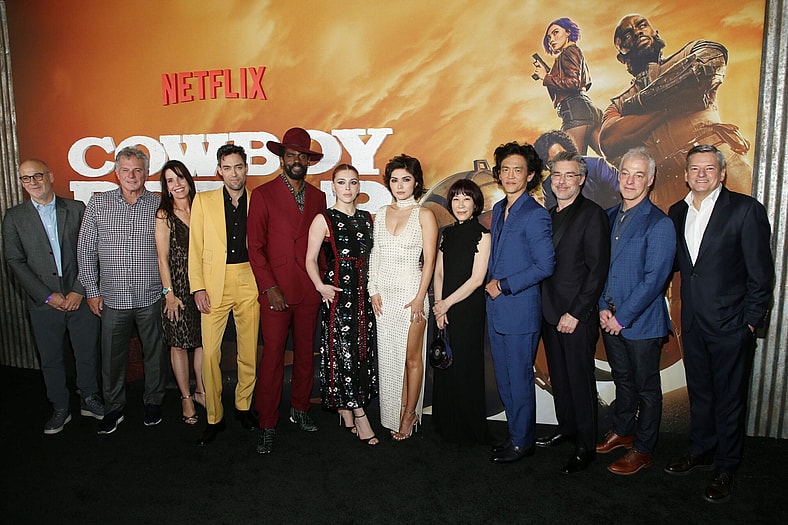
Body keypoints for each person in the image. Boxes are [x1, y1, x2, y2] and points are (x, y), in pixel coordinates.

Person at [665, 144, 773, 503]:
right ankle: (702, 451)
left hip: (732, 325)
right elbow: (680, 267)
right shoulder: (677, 211)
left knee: (729, 398)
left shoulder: (745, 210)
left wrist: (751, 323)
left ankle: (727, 466)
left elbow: (761, 274)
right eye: (695, 168)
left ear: (722, 173)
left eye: (709, 169)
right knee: (701, 393)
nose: (701, 174)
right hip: (692, 322)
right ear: (685, 174)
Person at [599, 14, 752, 209]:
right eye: (628, 34)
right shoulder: (619, 103)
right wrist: (669, 108)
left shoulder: (689, 52)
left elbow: (710, 60)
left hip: (723, 171)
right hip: (667, 195)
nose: (637, 32)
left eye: (642, 25)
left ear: (656, 33)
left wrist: (639, 104)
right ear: (621, 57)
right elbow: (609, 141)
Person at [3, 159, 103, 434]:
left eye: (37, 176)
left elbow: (91, 251)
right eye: (26, 178)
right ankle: (60, 406)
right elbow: (14, 261)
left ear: (51, 176)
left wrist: (79, 290)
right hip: (43, 302)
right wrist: (47, 296)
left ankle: (89, 398)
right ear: (21, 183)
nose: (33, 182)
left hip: (79, 295)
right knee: (50, 358)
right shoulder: (13, 217)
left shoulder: (76, 209)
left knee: (86, 353)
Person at [596, 147, 675, 475]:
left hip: (640, 323)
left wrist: (621, 318)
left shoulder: (659, 223)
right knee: (623, 380)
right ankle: (623, 429)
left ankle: (642, 449)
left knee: (646, 388)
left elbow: (654, 279)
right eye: (625, 172)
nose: (630, 180)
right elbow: (599, 267)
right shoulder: (609, 215)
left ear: (650, 179)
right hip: (608, 317)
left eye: (638, 174)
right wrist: (602, 307)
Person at [78, 146, 167, 434]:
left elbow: (170, 252)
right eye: (126, 170)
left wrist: (169, 292)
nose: (132, 175)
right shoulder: (98, 204)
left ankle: (153, 402)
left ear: (147, 173)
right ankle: (113, 407)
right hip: (112, 297)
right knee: (112, 357)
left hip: (151, 295)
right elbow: (86, 250)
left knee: (154, 352)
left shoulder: (158, 205)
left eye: (138, 169)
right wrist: (91, 289)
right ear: (116, 173)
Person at [248, 127, 327, 454]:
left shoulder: (319, 197)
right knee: (273, 359)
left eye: (302, 156)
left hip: (309, 289)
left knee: (307, 355)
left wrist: (323, 284)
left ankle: (300, 408)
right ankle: (267, 422)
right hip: (277, 293)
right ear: (282, 158)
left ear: (308, 160)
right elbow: (255, 247)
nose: (297, 160)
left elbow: (322, 248)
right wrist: (269, 288)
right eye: (291, 154)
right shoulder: (263, 194)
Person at [538, 151, 609, 474]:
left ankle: (586, 445)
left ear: (581, 179)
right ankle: (566, 428)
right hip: (549, 312)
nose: (562, 181)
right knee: (561, 378)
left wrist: (577, 313)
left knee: (580, 380)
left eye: (569, 175)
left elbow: (597, 271)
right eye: (557, 175)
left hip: (575, 316)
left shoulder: (593, 215)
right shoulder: (549, 215)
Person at [485, 142, 555, 463]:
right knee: (504, 378)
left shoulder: (536, 214)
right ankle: (515, 434)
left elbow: (544, 266)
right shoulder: (499, 210)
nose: (511, 175)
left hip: (519, 310)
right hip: (496, 310)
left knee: (519, 377)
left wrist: (505, 285)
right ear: (498, 174)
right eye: (505, 169)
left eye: (518, 170)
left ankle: (523, 441)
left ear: (529, 176)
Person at [189, 144, 261, 446]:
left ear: (246, 168)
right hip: (213, 283)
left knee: (248, 350)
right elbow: (195, 246)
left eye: (239, 166)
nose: (234, 173)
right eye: (227, 167)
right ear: (220, 170)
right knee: (211, 355)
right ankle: (214, 417)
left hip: (249, 279)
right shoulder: (203, 201)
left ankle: (243, 406)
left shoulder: (258, 200)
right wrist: (198, 287)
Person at [305, 164, 379, 445]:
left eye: (352, 182)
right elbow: (310, 259)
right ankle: (360, 415)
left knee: (360, 352)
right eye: (341, 182)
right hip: (338, 296)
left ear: (359, 186)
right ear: (332, 186)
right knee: (343, 353)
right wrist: (320, 286)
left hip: (364, 295)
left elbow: (377, 257)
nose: (347, 188)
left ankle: (346, 410)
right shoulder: (324, 219)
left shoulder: (367, 218)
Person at [368, 154, 438, 441]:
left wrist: (421, 297)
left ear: (416, 182)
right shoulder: (381, 212)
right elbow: (375, 254)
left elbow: (430, 261)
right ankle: (391, 413)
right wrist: (372, 289)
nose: (400, 185)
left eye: (405, 179)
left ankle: (409, 415)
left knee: (411, 359)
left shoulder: (425, 214)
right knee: (388, 359)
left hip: (411, 294)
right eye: (395, 180)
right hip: (384, 296)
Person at [431, 179, 491, 445]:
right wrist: (438, 305)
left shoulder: (483, 234)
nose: (461, 205)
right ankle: (446, 424)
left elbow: (477, 279)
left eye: (467, 199)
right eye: (456, 199)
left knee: (466, 364)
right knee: (445, 363)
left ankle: (468, 429)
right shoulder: (448, 234)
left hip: (468, 308)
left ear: (476, 203)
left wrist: (447, 303)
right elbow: (439, 272)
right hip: (444, 309)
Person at [154, 160, 205, 425]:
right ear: (166, 186)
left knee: (202, 343)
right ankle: (185, 397)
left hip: (202, 286)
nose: (177, 184)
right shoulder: (165, 214)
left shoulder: (203, 207)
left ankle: (200, 391)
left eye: (180, 178)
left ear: (189, 180)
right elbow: (162, 258)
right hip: (177, 290)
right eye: (170, 180)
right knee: (179, 344)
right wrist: (169, 294)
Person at [533, 17, 603, 156]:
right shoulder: (571, 53)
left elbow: (573, 83)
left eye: (556, 33)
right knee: (610, 159)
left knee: (570, 164)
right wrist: (548, 74)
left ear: (568, 32)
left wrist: (545, 77)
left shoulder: (568, 52)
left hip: (575, 113)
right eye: (548, 37)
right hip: (586, 111)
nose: (551, 39)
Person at [534, 129, 620, 211]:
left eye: (563, 156)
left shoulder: (597, 166)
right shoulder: (549, 185)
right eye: (551, 163)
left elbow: (626, 195)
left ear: (570, 151)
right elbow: (553, 219)